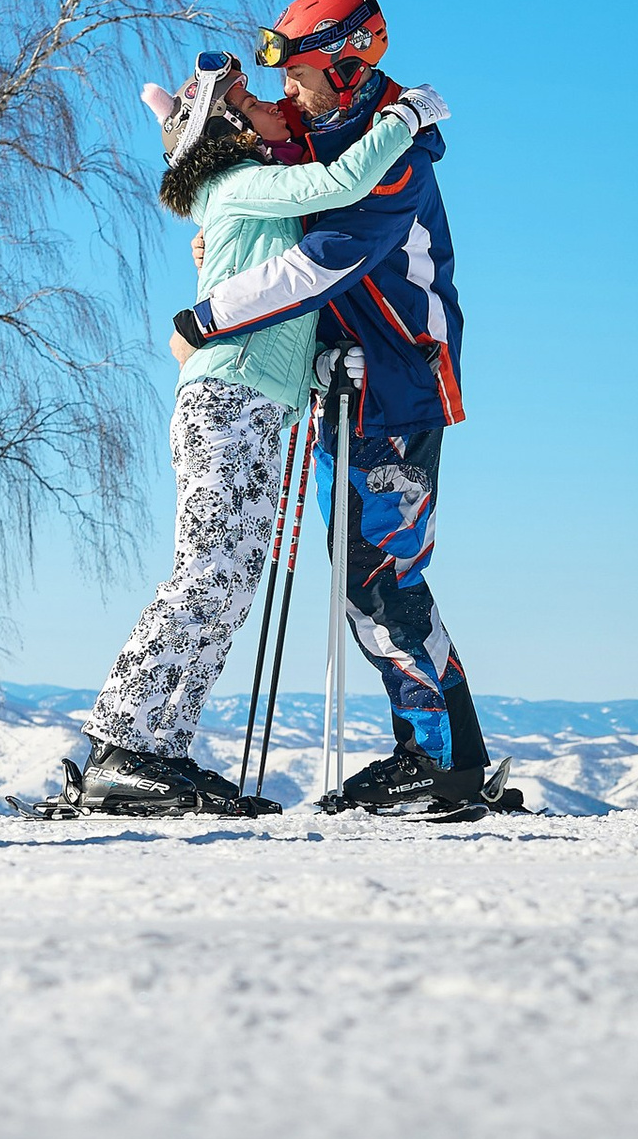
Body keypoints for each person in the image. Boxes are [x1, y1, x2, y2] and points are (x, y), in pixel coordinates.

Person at [67, 50, 447, 817]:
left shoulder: (242, 199)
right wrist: (405, 119)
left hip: (254, 405)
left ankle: (158, 751)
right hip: (225, 402)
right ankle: (117, 745)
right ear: (224, 133)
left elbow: (284, 307)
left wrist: (321, 365)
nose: (264, 110)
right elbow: (341, 183)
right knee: (208, 574)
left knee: (230, 586)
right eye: (241, 105)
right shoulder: (242, 183)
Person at [168, 0, 495, 815]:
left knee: (378, 576)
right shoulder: (317, 127)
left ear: (349, 70)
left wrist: (203, 320)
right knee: (366, 573)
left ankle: (437, 761)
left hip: (398, 383)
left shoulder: (396, 159)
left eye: (302, 76)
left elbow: (316, 266)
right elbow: (231, 169)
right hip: (341, 383)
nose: (288, 93)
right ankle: (451, 756)